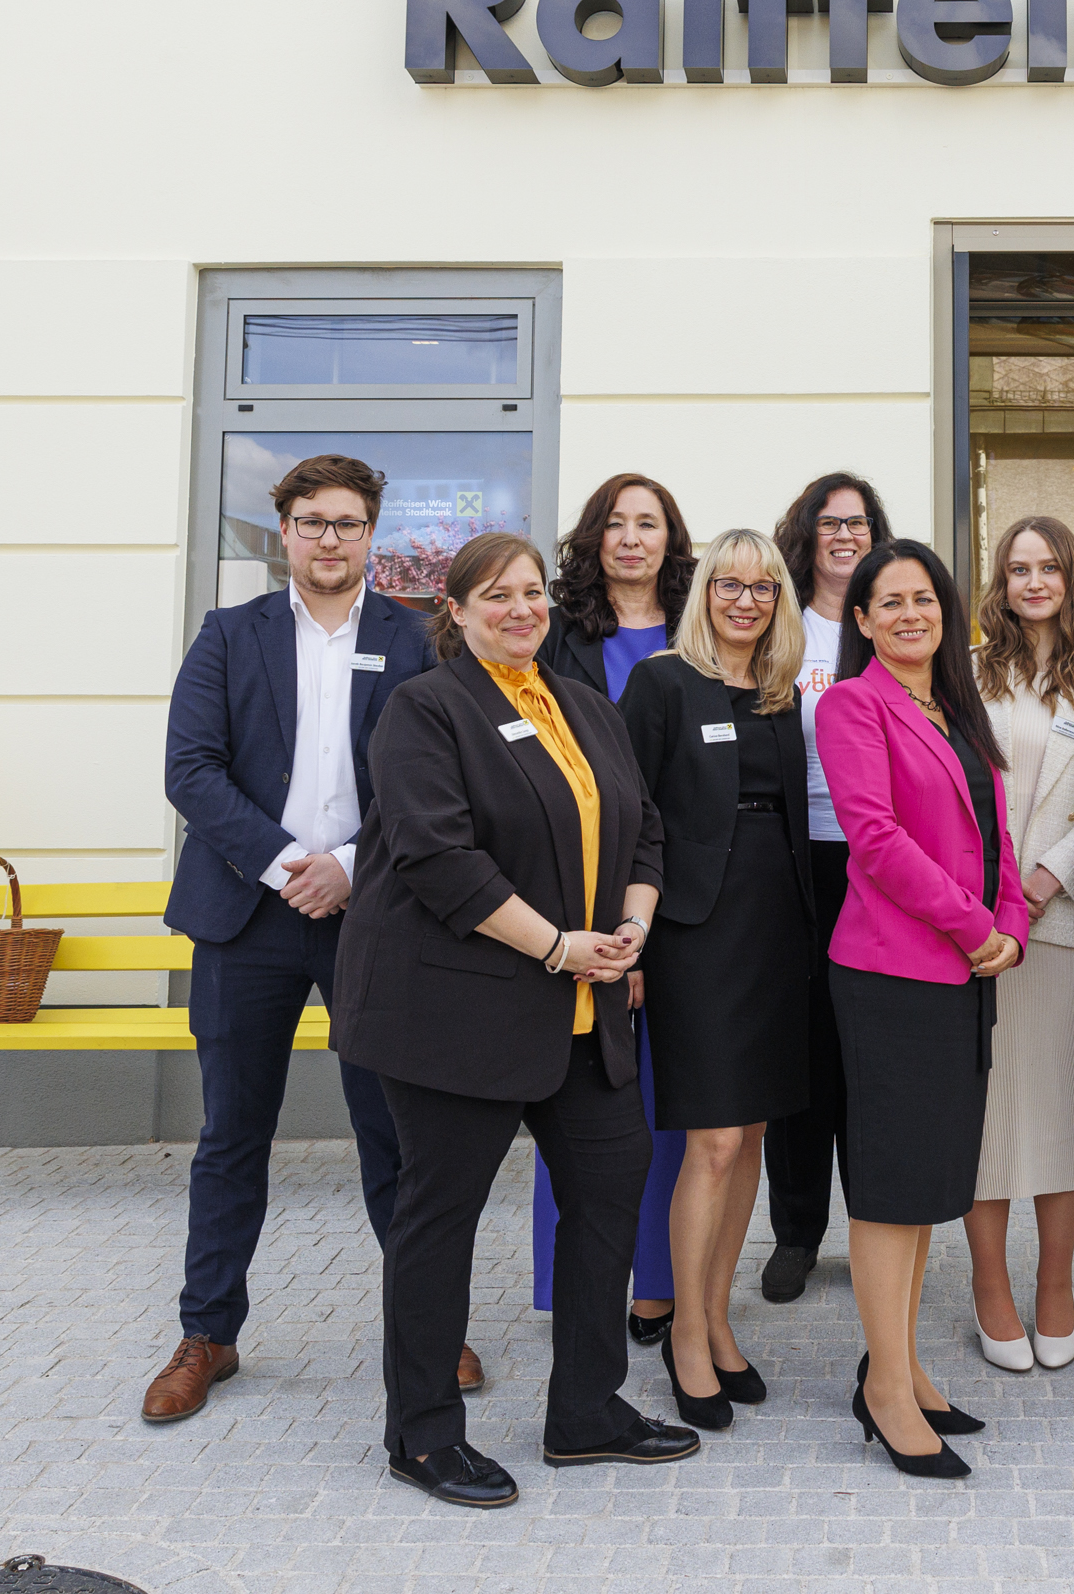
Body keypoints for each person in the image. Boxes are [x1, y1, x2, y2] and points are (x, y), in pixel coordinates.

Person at [330, 530, 698, 1509]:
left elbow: (644, 830)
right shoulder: (426, 710)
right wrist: (558, 946)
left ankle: (586, 1412)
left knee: (610, 1192)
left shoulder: (581, 707)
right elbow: (439, 858)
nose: (521, 609)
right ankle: (419, 1435)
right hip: (456, 1017)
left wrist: (628, 926)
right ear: (455, 610)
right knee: (438, 1223)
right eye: (497, 596)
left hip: (581, 1007)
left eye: (533, 593)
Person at [151, 453, 460, 1422]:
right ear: (283, 532)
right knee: (231, 1136)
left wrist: (353, 867)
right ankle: (209, 1334)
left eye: (350, 524)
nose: (332, 540)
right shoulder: (227, 636)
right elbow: (191, 771)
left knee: (392, 1135)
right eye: (314, 523)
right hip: (248, 916)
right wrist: (293, 865)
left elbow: (438, 786)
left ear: (373, 535)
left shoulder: (416, 642)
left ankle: (427, 1332)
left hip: (374, 919)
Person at [817, 539, 1027, 1480]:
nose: (909, 614)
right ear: (859, 620)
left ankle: (900, 1367)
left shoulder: (953, 706)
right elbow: (874, 836)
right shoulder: (850, 703)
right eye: (887, 602)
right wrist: (972, 925)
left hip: (964, 970)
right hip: (893, 973)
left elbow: (996, 833)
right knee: (892, 1188)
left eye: (923, 600)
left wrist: (1009, 924)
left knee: (929, 1185)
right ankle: (887, 1392)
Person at [619, 530, 817, 1431]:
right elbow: (631, 817)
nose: (746, 600)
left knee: (754, 1139)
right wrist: (632, 935)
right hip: (694, 936)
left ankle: (716, 1315)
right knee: (711, 1144)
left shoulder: (779, 697)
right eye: (729, 585)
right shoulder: (662, 683)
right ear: (704, 592)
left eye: (763, 587)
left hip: (777, 928)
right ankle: (685, 1339)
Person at [532, 473, 699, 1347]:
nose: (632, 538)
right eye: (616, 523)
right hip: (587, 896)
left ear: (672, 538)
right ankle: (578, 1284)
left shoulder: (700, 628)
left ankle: (660, 1283)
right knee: (585, 1095)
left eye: (650, 523)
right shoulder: (557, 635)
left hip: (687, 892)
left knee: (670, 1099)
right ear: (593, 537)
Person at [964, 516, 1074, 1373]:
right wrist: (982, 899)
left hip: (1063, 926)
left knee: (1056, 1114)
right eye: (1017, 568)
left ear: (1069, 577)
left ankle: (1055, 1283)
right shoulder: (962, 679)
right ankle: (990, 1286)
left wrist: (1048, 878)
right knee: (981, 1120)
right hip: (975, 929)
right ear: (1001, 582)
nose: (1032, 582)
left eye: (1047, 566)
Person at [756, 471, 897, 1303]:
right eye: (829, 522)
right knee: (801, 1055)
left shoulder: (890, 618)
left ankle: (879, 1222)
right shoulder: (775, 618)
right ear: (805, 534)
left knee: (872, 1050)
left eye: (859, 521)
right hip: (791, 859)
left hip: (879, 860)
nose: (845, 534)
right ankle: (796, 1232)